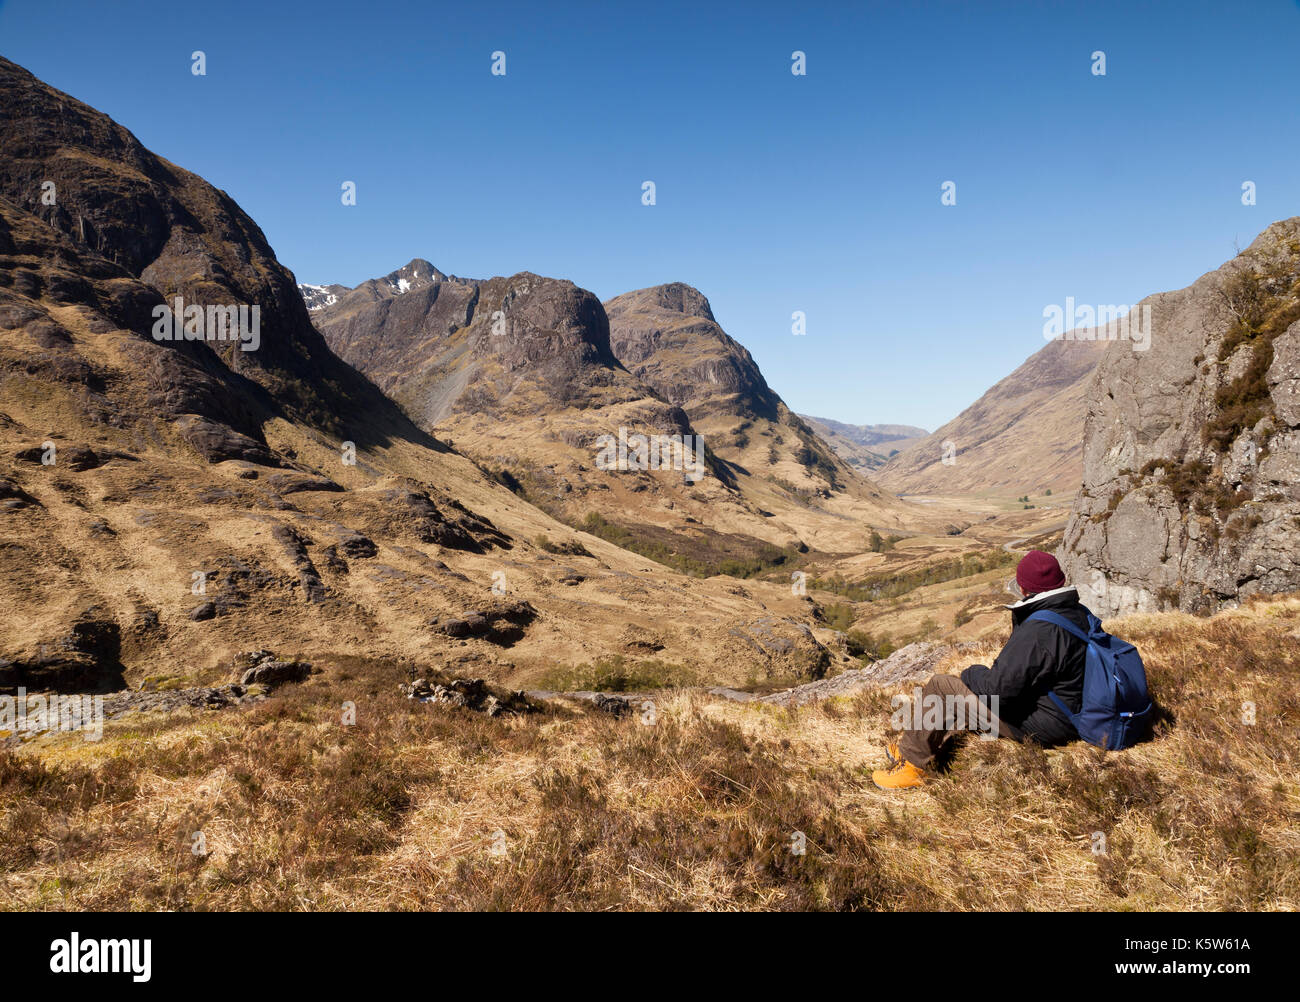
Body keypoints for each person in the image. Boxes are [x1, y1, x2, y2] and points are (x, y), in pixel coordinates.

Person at [872, 550, 1089, 791]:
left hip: (1047, 725)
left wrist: (971, 672)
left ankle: (912, 767)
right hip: (1065, 711)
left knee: (942, 686)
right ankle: (911, 748)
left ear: (1024, 589)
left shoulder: (1039, 631)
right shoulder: (1075, 612)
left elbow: (996, 689)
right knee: (960, 696)